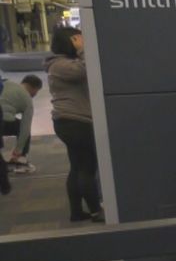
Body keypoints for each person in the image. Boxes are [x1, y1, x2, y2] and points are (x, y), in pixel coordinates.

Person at [47, 26, 102, 222]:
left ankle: (77, 212)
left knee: (77, 167)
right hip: (75, 121)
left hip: (69, 121)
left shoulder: (61, 63)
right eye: (78, 39)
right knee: (87, 168)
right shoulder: (60, 65)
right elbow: (87, 71)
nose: (82, 41)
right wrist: (83, 50)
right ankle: (96, 211)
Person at [1, 74, 42, 174]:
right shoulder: (27, 100)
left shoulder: (5, 83)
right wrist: (18, 151)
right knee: (23, 128)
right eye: (37, 91)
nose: (35, 94)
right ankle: (21, 161)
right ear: (34, 88)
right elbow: (25, 128)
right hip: (3, 120)